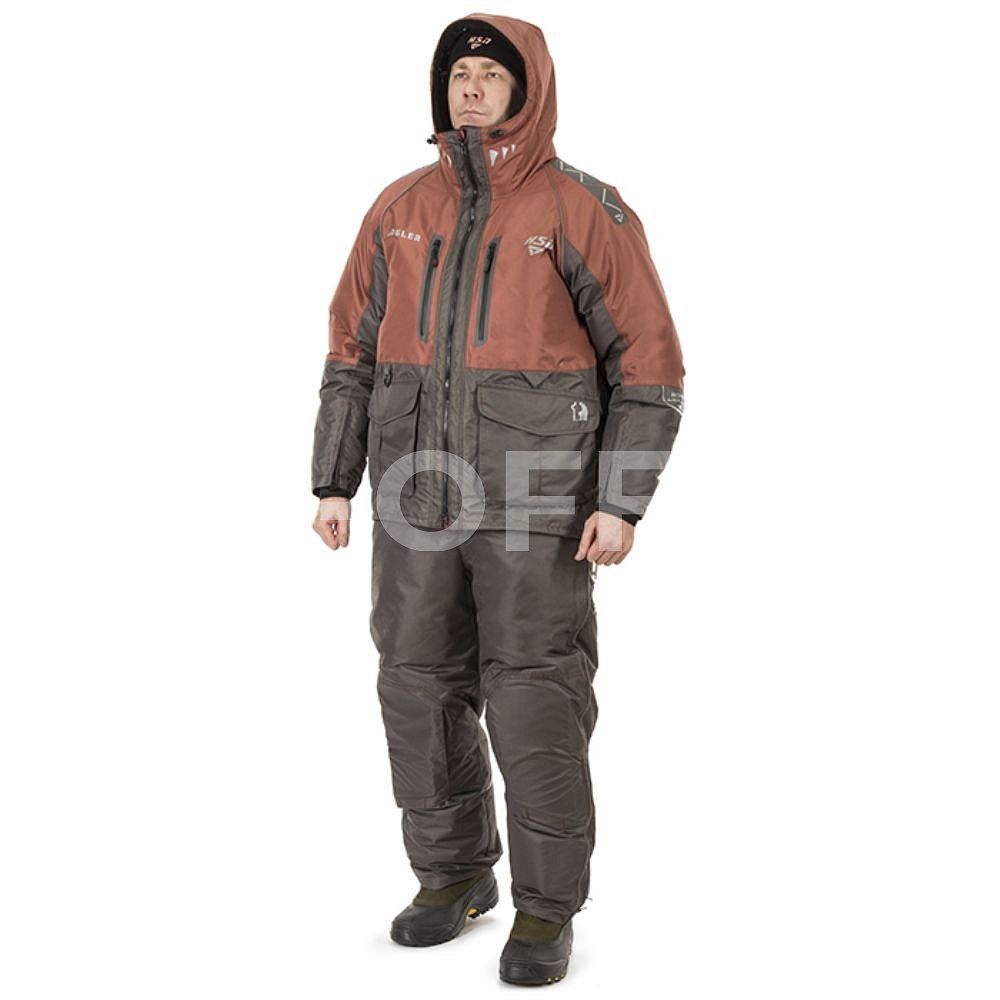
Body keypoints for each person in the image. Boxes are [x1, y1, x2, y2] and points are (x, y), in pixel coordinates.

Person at [310, 13, 685, 987]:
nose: (470, 88)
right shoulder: (398, 208)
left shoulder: (582, 209)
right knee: (415, 686)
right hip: (414, 497)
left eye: (490, 73)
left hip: (535, 499)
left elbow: (648, 365)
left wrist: (621, 501)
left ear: (528, 89)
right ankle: (452, 876)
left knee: (534, 698)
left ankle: (546, 909)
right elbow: (351, 352)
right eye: (458, 74)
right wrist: (334, 480)